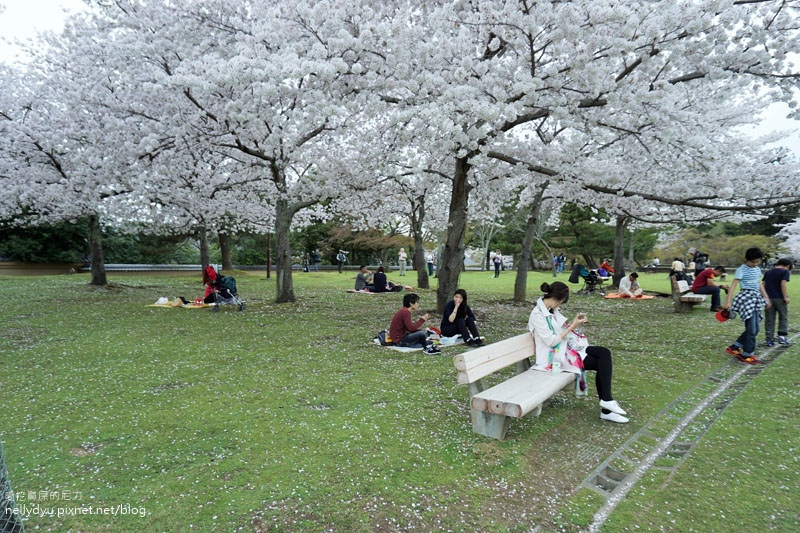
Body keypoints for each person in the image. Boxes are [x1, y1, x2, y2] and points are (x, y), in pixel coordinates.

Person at [528, 281, 629, 423]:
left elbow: (560, 331)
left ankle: (607, 403)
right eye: (561, 303)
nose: (560, 306)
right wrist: (571, 327)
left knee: (603, 352)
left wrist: (574, 323)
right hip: (554, 356)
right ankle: (607, 407)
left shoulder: (551, 310)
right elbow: (551, 341)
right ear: (556, 299)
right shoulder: (537, 315)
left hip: (566, 348)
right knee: (601, 361)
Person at [723, 247, 772, 364]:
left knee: (756, 329)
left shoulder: (757, 269)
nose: (755, 264)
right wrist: (728, 301)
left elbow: (758, 283)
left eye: (757, 262)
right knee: (751, 329)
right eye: (752, 262)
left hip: (756, 299)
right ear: (746, 259)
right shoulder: (741, 270)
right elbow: (733, 286)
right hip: (746, 299)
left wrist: (766, 297)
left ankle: (734, 347)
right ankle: (747, 354)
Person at [762, 258, 792, 346]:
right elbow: (783, 284)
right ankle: (782, 337)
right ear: (787, 265)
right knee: (783, 317)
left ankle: (769, 339)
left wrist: (764, 297)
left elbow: (763, 284)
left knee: (769, 319)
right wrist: (785, 297)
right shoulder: (785, 272)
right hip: (780, 298)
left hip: (769, 298)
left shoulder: (768, 272)